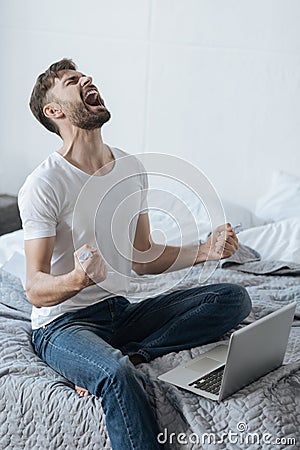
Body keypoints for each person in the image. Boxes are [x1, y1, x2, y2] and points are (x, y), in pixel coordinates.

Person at [18, 58, 252, 450]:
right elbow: (34, 288)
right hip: (61, 325)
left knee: (231, 298)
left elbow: (142, 256)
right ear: (54, 110)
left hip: (119, 312)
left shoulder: (129, 166)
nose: (87, 80)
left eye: (86, 76)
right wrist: (77, 279)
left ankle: (135, 354)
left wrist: (204, 251)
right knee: (115, 374)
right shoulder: (44, 184)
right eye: (73, 81)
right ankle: (112, 362)